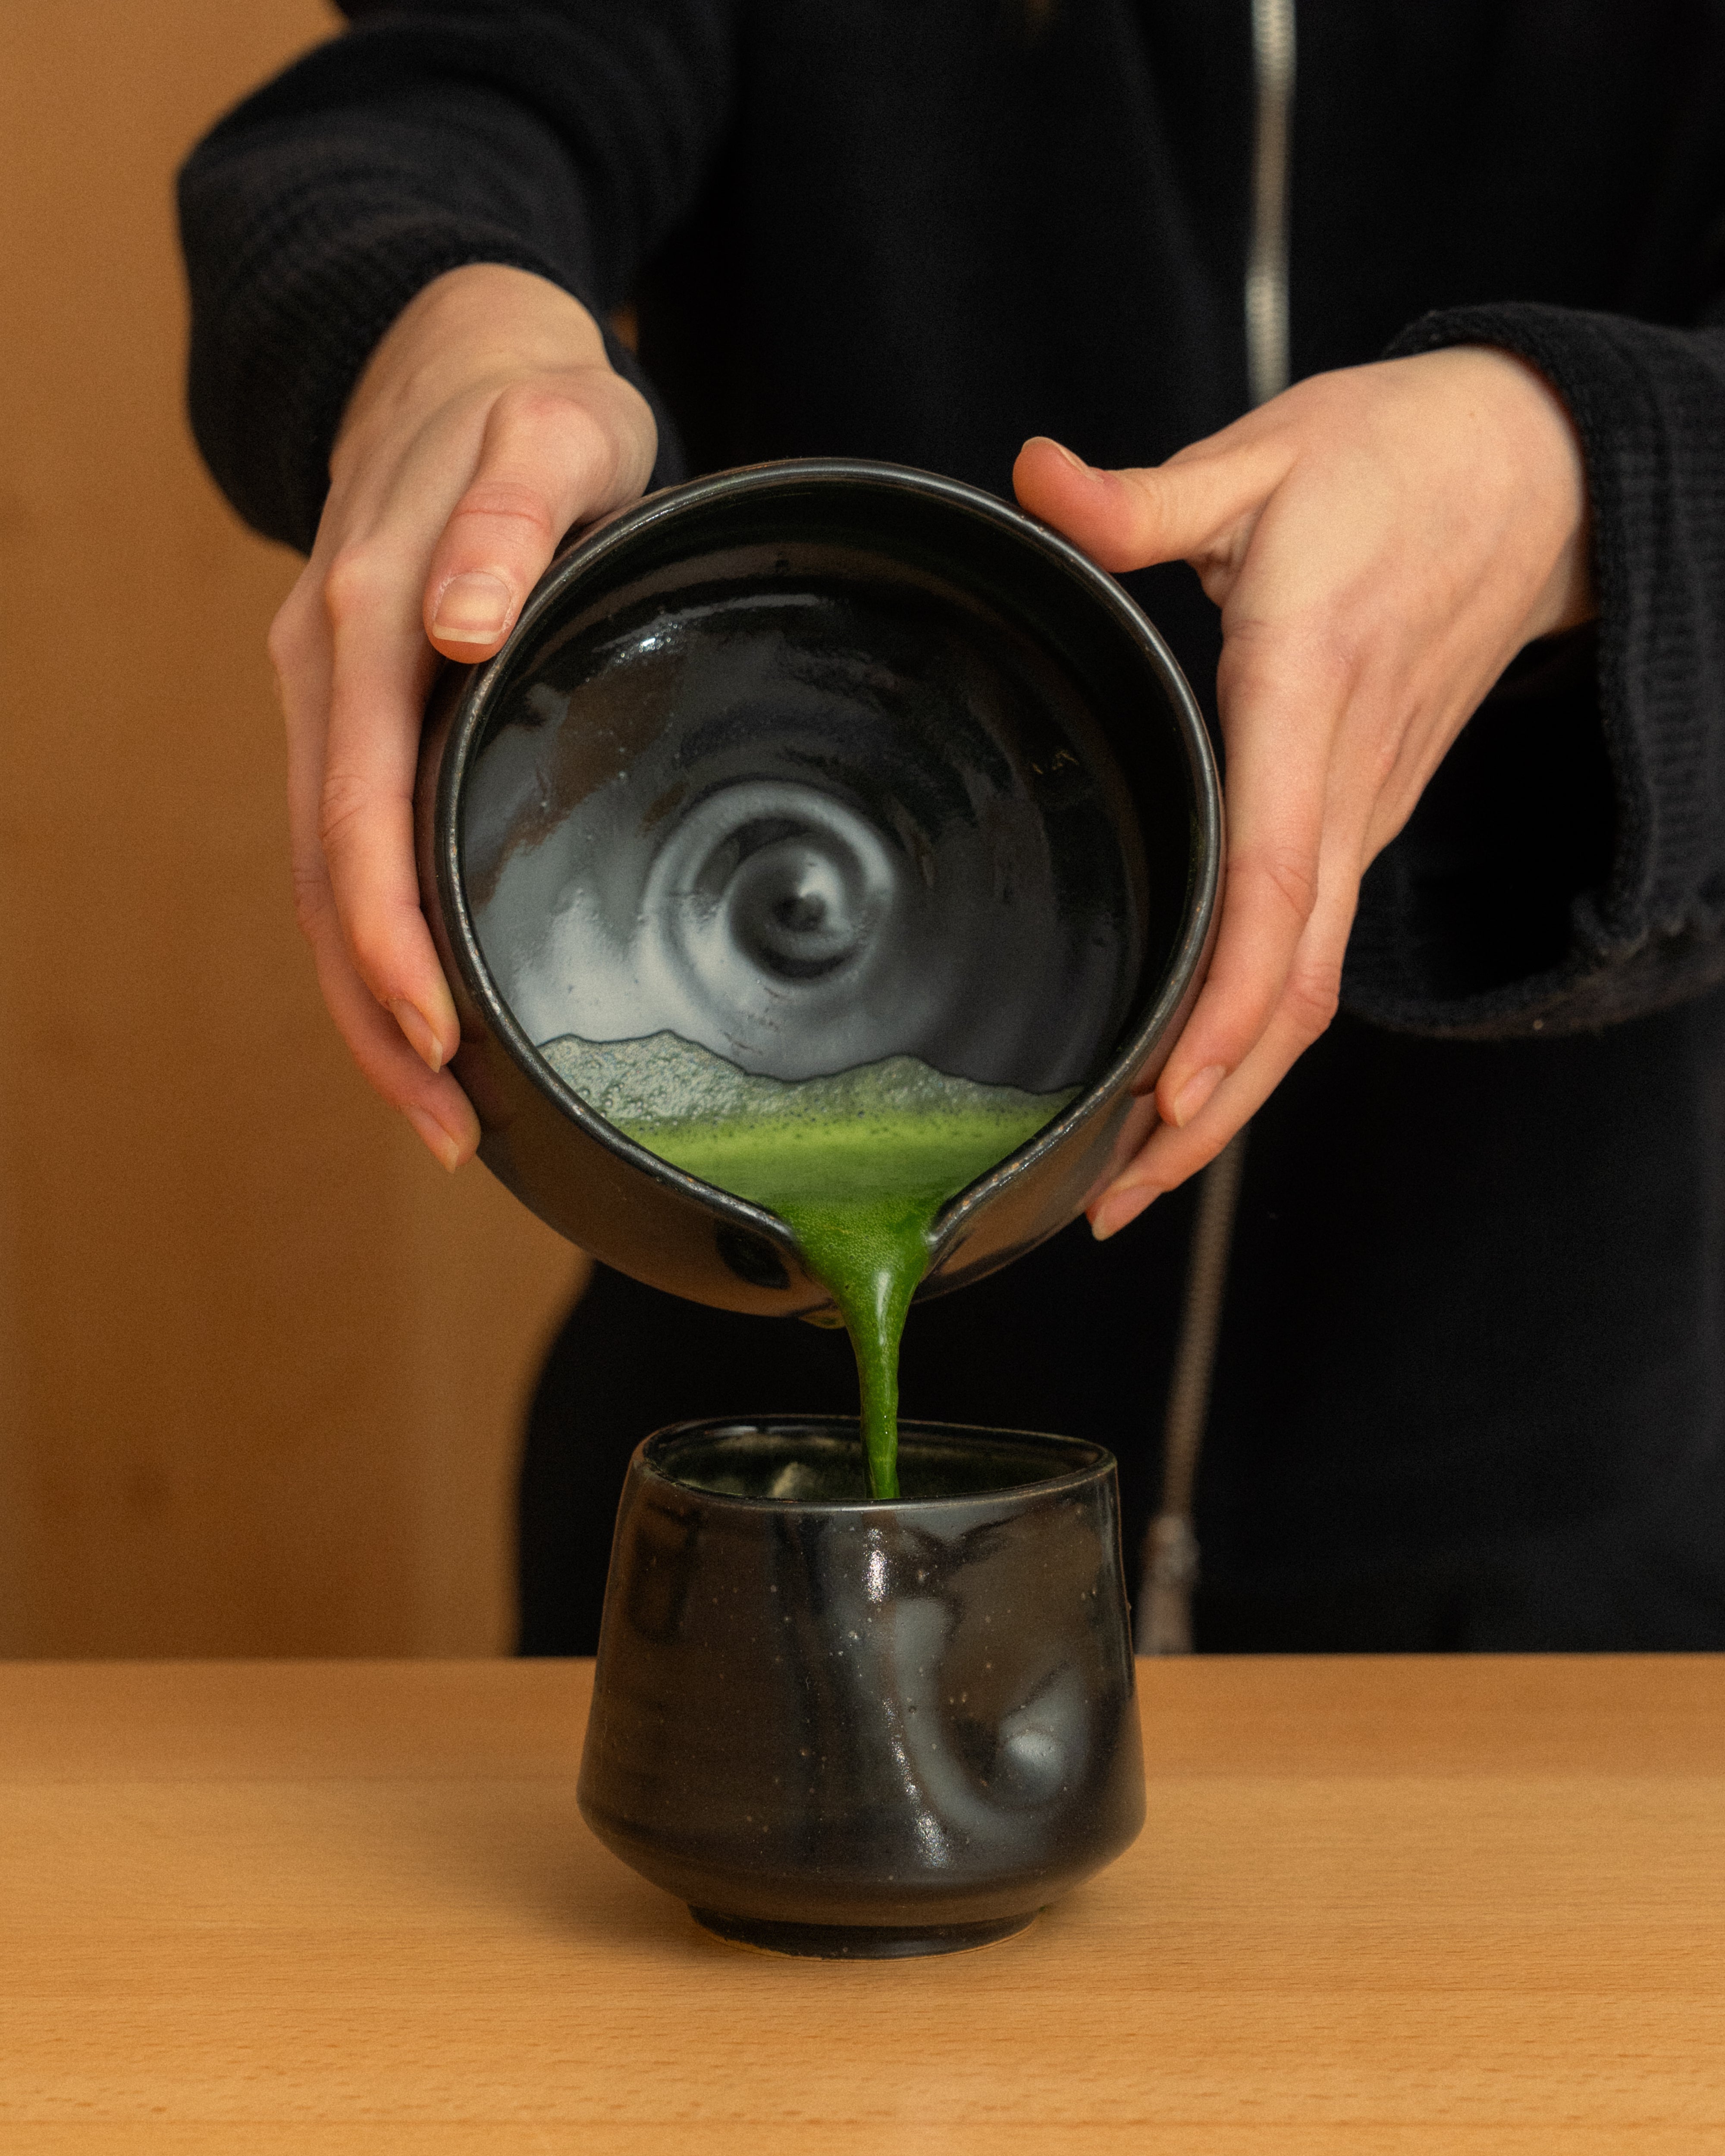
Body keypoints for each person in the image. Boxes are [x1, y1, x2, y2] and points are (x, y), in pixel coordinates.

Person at [179, 1, 1725, 1653]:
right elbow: (422, 110)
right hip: (746, 1498)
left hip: (1559, 1537)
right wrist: (442, 329)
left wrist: (1590, 470)